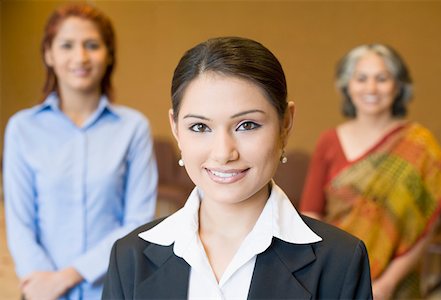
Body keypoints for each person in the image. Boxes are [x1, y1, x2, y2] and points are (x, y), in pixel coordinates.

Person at [102, 36, 372, 299]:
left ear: (286, 124)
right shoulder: (131, 258)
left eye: (247, 125)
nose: (223, 153)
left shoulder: (341, 262)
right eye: (200, 127)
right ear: (175, 128)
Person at [3, 4, 158, 299]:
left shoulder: (133, 128)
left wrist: (70, 276)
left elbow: (138, 220)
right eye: (66, 45)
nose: (80, 57)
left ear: (109, 54)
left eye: (92, 45)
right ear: (49, 54)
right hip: (42, 289)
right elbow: (19, 221)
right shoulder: (22, 128)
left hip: (113, 286)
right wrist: (43, 283)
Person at [299, 44, 441, 299]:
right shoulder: (329, 140)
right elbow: (311, 213)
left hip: (396, 283)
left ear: (398, 86)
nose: (371, 89)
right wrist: (333, 270)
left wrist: (389, 282)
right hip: (336, 271)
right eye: (361, 79)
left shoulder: (420, 145)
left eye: (382, 79)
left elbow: (427, 228)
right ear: (347, 85)